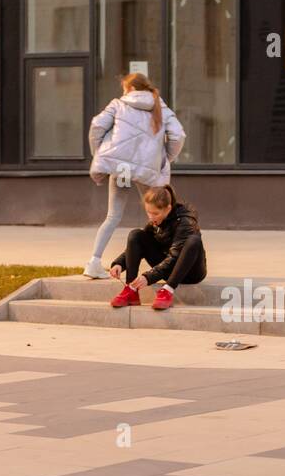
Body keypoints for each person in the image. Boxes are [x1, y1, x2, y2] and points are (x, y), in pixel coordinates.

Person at [84, 73, 186, 280]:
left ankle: (94, 262)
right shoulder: (161, 107)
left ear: (130, 89)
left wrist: (101, 154)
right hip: (147, 170)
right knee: (159, 213)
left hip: (122, 168)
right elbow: (179, 135)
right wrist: (166, 157)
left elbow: (96, 126)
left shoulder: (118, 104)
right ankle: (170, 260)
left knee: (113, 215)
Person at [108, 185, 207, 312]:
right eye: (148, 212)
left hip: (191, 272)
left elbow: (175, 257)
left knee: (194, 241)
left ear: (168, 209)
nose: (151, 217)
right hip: (168, 269)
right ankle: (131, 289)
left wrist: (149, 277)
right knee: (136, 235)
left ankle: (168, 290)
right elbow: (139, 244)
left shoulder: (185, 221)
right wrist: (119, 264)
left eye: (155, 213)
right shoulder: (155, 221)